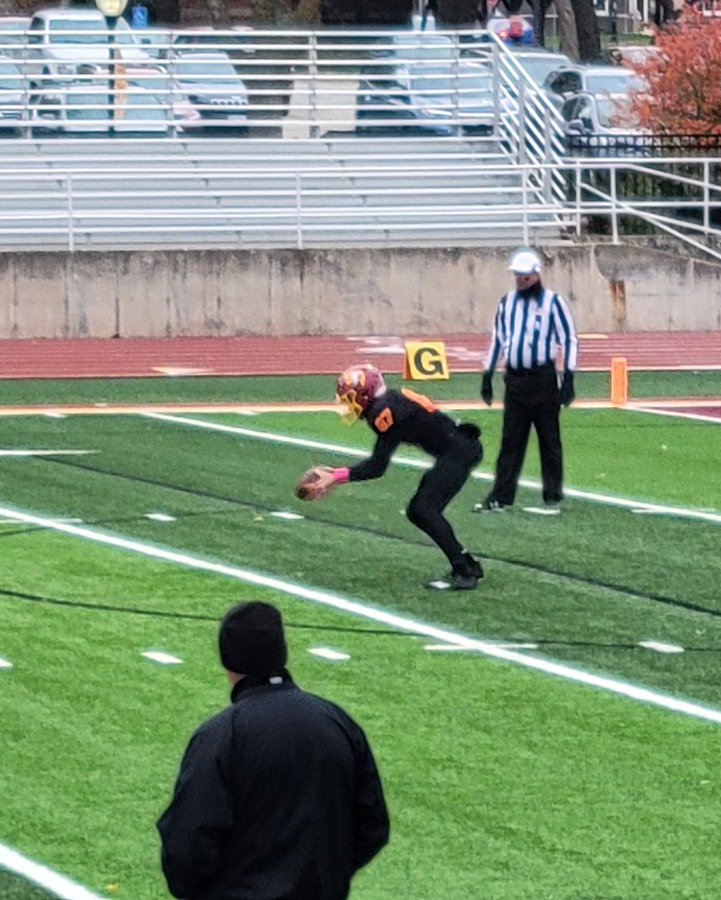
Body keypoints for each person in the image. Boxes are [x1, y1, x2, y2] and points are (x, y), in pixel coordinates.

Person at [157, 600, 390, 899]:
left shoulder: (222, 734)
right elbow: (371, 825)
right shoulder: (337, 722)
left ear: (228, 662)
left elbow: (188, 844)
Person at [298, 363, 486, 590]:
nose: (349, 405)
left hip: (459, 451)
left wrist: (337, 476)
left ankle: (465, 570)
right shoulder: (389, 403)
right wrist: (337, 475)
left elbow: (377, 466)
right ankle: (467, 563)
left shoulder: (383, 411)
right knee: (421, 510)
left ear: (365, 394)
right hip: (458, 447)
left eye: (350, 397)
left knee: (423, 509)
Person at [478, 248, 579, 513]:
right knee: (511, 440)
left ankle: (553, 492)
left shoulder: (553, 302)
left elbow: (568, 338)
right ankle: (501, 493)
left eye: (525, 276)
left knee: (549, 439)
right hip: (515, 380)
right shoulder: (507, 303)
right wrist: (487, 374)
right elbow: (498, 338)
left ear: (536, 274)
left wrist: (568, 376)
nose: (521, 280)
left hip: (543, 378)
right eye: (518, 276)